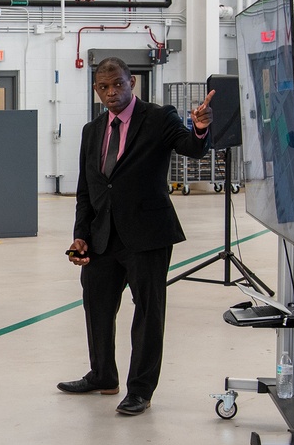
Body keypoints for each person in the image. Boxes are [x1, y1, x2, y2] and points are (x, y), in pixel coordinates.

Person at [60, 57, 213, 416]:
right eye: (103, 87)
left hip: (147, 235)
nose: (111, 93)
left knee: (148, 313)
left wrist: (201, 129)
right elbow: (88, 190)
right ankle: (102, 375)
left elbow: (191, 147)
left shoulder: (159, 118)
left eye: (118, 84)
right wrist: (81, 235)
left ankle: (140, 389)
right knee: (96, 306)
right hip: (102, 237)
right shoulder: (92, 130)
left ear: (133, 83)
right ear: (96, 89)